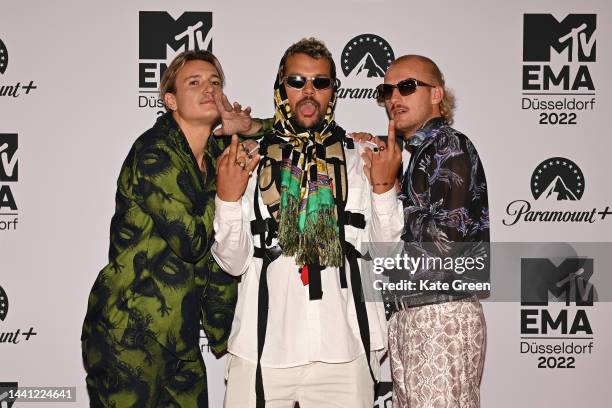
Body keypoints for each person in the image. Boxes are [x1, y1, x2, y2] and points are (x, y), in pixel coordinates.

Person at [212, 38, 403, 408]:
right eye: (297, 81)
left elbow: (386, 254)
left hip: (343, 347)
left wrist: (383, 189)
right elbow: (232, 262)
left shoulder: (363, 156)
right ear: (281, 86)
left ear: (334, 90)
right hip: (261, 347)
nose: (309, 92)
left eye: (321, 82)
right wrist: (227, 200)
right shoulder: (249, 160)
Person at [81, 49, 260, 407]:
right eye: (194, 82)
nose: (208, 88)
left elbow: (283, 131)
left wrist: (248, 127)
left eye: (215, 82)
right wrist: (224, 195)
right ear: (171, 100)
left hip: (179, 335)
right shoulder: (155, 152)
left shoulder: (214, 155)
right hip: (127, 332)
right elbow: (191, 241)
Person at [372, 55, 489, 407]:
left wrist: (386, 192)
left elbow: (446, 241)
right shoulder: (417, 152)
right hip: (414, 314)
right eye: (387, 90)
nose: (395, 97)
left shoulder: (447, 146)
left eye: (407, 86)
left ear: (436, 94)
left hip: (440, 315)